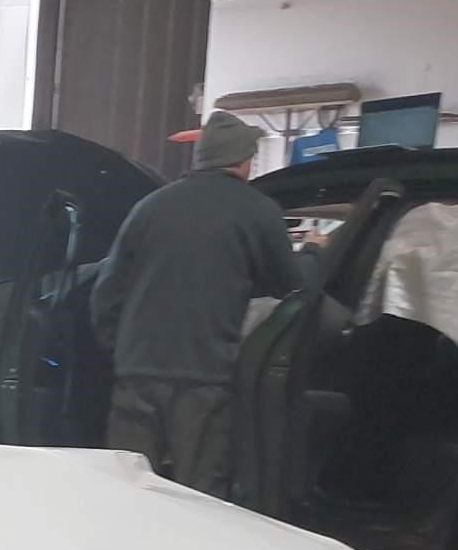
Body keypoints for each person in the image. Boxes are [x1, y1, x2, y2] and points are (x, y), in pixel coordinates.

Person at [89, 110, 306, 498]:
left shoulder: (149, 208)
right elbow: (291, 286)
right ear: (244, 160)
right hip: (203, 377)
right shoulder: (258, 211)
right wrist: (313, 256)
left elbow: (107, 292)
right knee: (199, 495)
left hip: (138, 373)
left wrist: (121, 352)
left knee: (126, 487)